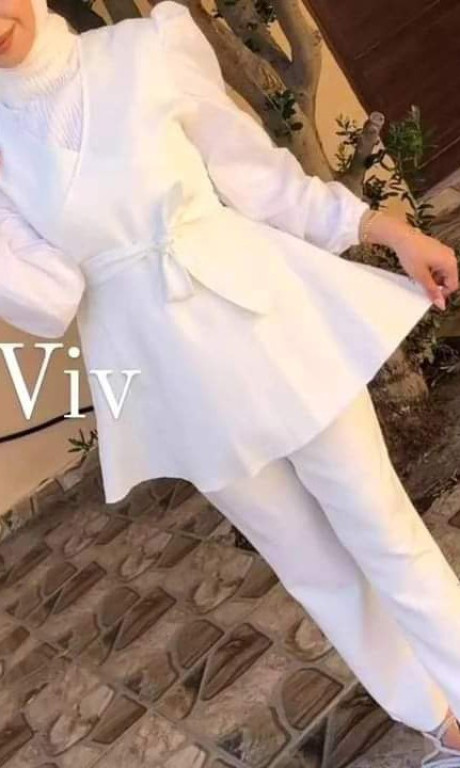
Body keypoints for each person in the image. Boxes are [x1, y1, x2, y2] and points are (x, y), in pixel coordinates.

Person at [0, 0, 459, 762]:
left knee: (381, 527)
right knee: (312, 568)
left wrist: (384, 230)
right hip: (167, 373)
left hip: (263, 315)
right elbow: (49, 302)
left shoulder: (145, 49)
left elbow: (261, 181)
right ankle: (437, 724)